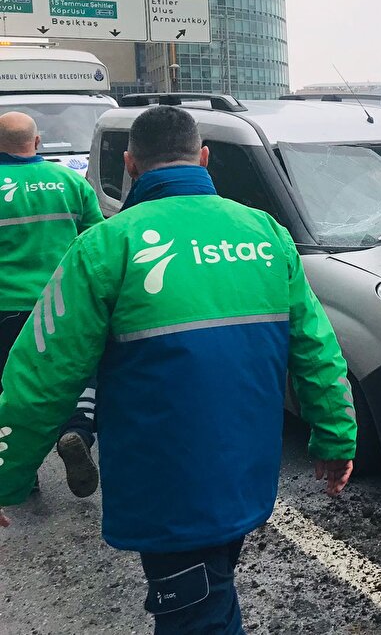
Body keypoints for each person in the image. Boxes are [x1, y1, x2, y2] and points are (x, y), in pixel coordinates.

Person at [0, 105, 358, 634]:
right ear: (204, 158)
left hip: (164, 487)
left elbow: (40, 376)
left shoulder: (106, 246)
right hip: (245, 472)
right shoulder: (265, 232)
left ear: (129, 164)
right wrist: (336, 437)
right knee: (212, 594)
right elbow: (316, 348)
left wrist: (7, 476)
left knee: (197, 617)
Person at [0, 111, 103, 498]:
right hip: (60, 305)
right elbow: (94, 243)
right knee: (76, 378)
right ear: (37, 142)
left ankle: (21, 476)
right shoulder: (70, 182)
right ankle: (76, 432)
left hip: (4, 307)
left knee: (12, 392)